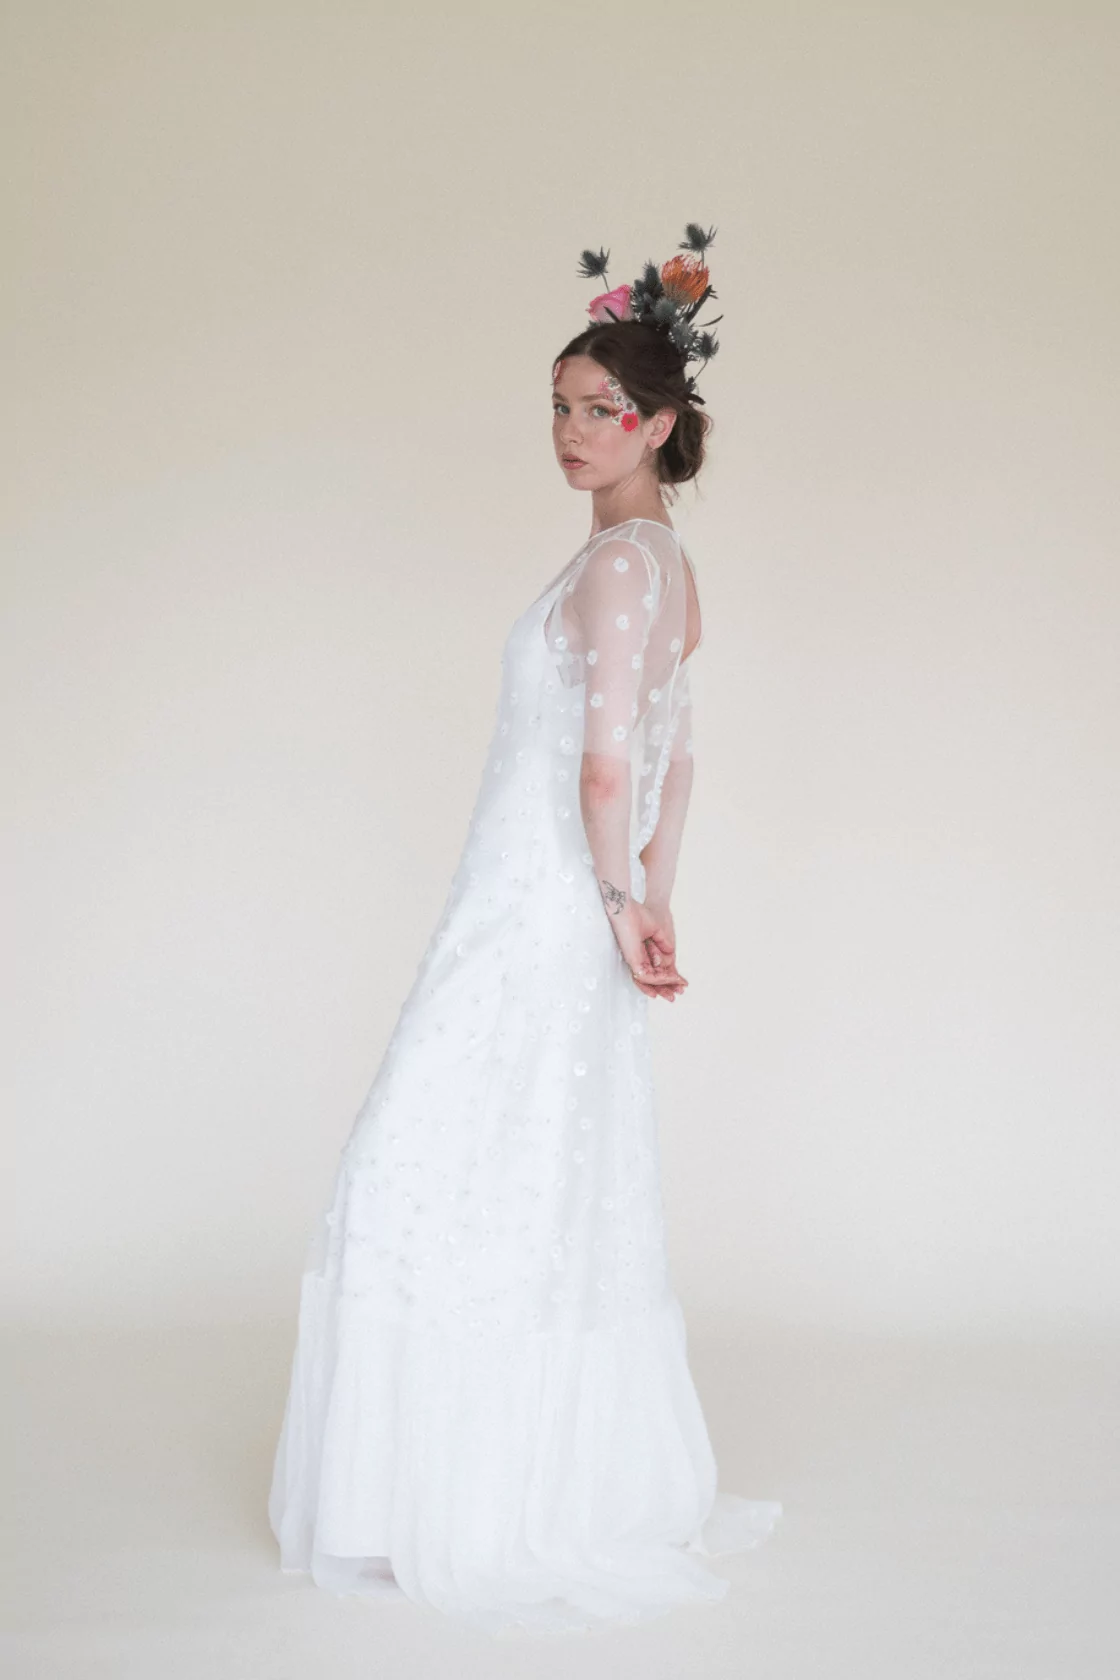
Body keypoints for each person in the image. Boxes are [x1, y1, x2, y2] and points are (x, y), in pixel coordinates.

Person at [267, 225, 782, 1635]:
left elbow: (614, 766)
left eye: (601, 410)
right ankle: (499, 1485)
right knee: (530, 1182)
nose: (571, 431)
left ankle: (460, 1504)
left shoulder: (620, 570)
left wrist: (616, 901)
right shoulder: (661, 566)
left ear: (659, 426)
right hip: (573, 911)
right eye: (558, 406)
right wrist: (654, 897)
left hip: (537, 915)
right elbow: (682, 761)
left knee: (428, 1172)